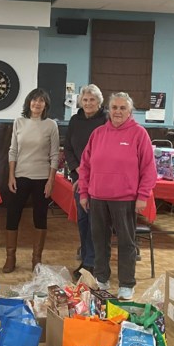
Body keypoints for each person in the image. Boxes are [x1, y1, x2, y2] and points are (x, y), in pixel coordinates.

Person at [77, 92, 156, 300]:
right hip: (97, 197)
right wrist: (84, 193)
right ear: (108, 110)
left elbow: (149, 168)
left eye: (122, 108)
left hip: (126, 199)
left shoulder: (139, 134)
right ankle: (101, 278)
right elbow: (84, 166)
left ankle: (127, 284)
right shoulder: (98, 133)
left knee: (127, 243)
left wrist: (142, 196)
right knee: (99, 241)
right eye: (114, 107)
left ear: (130, 111)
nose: (118, 111)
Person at [3, 88, 60, 273]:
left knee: (40, 217)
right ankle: (10, 257)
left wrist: (51, 180)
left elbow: (54, 155)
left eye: (41, 101)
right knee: (13, 215)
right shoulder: (19, 122)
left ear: (46, 105)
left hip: (42, 178)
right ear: (29, 103)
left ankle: (37, 260)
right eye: (34, 100)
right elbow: (13, 150)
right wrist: (11, 175)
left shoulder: (51, 125)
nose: (37, 104)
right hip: (20, 176)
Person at [64, 84, 107, 278]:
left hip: (100, 180)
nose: (88, 103)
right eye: (85, 99)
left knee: (97, 222)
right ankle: (87, 260)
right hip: (79, 179)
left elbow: (108, 152)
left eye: (92, 100)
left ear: (99, 102)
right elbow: (68, 149)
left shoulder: (106, 121)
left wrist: (89, 173)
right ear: (81, 101)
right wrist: (77, 171)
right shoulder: (75, 120)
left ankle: (96, 263)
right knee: (83, 221)